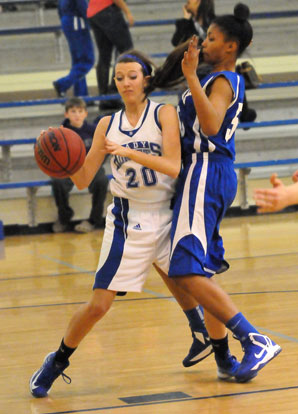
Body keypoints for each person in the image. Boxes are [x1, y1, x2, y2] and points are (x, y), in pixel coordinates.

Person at [29, 47, 240, 398]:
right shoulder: (106, 125)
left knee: (206, 287)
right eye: (119, 77)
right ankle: (56, 361)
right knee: (99, 305)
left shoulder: (165, 114)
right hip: (129, 221)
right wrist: (59, 160)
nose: (125, 83)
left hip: (171, 216)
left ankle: (223, 355)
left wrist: (128, 152)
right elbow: (82, 180)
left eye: (131, 76)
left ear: (145, 79)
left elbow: (173, 167)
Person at [167, 4, 281, 384]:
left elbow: (211, 124)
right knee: (202, 271)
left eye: (213, 39)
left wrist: (189, 77)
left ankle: (254, 338)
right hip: (210, 175)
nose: (207, 43)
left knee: (183, 268)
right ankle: (222, 356)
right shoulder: (217, 77)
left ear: (231, 47)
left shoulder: (222, 80)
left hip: (204, 173)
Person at [171, 0, 256, 125]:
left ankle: (243, 112)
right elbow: (176, 42)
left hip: (206, 69)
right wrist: (186, 20)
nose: (204, 43)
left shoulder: (219, 23)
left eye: (210, 39)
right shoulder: (185, 24)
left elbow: (211, 127)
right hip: (197, 68)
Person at [51, 97, 108, 233]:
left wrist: (97, 162)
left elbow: (106, 148)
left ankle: (94, 220)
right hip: (68, 169)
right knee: (57, 182)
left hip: (90, 167)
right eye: (73, 111)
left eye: (80, 111)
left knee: (102, 181)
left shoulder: (94, 130)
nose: (77, 114)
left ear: (85, 113)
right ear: (67, 114)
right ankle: (64, 217)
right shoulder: (59, 133)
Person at [87, 0, 134, 111]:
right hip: (108, 10)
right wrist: (127, 12)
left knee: (104, 56)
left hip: (94, 12)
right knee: (127, 51)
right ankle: (113, 94)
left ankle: (104, 97)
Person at [53, 0, 95, 99]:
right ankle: (62, 84)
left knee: (78, 62)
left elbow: (59, 9)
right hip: (77, 22)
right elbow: (83, 8)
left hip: (67, 21)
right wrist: (94, 22)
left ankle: (81, 95)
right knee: (87, 60)